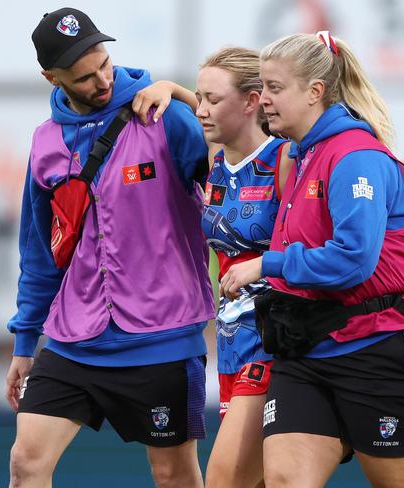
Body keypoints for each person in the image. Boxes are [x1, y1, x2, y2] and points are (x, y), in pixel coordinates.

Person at [220, 32, 404, 487]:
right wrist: (169, 91)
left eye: (274, 87)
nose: (262, 99)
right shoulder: (300, 152)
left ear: (315, 92)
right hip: (306, 351)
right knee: (285, 480)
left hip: (380, 349)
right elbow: (219, 118)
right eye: (261, 87)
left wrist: (267, 264)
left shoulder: (354, 157)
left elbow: (353, 261)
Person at [5, 8, 214, 488]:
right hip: (72, 338)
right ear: (50, 78)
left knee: (174, 476)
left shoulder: (167, 118)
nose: (102, 79)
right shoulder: (45, 142)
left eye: (104, 63)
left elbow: (238, 164)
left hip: (162, 337)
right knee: (25, 464)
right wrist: (24, 342)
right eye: (83, 76)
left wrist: (181, 93)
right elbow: (39, 253)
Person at [133, 47, 293, 488]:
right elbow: (205, 107)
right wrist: (169, 88)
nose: (200, 110)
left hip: (275, 340)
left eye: (212, 100)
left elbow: (313, 249)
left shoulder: (284, 161)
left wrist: (263, 269)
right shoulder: (215, 161)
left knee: (224, 479)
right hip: (229, 341)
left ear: (252, 101)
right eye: (198, 98)